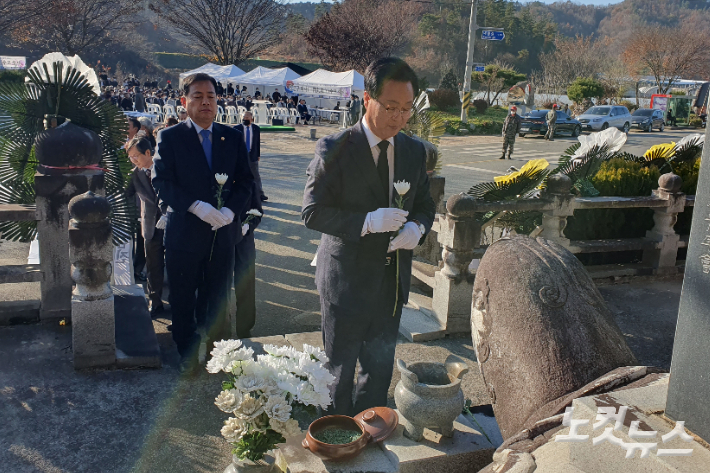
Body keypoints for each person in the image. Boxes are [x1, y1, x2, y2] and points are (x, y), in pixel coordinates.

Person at [302, 57, 436, 415]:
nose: (398, 117)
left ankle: (370, 436)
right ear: (367, 99)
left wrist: (417, 228)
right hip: (345, 282)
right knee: (338, 373)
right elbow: (312, 212)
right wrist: (367, 221)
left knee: (378, 371)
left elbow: (425, 203)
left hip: (390, 284)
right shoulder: (336, 148)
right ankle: (336, 436)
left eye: (407, 109)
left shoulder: (412, 150)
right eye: (390, 107)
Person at [152, 73, 254, 373]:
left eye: (211, 96)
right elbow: (162, 181)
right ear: (185, 101)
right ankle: (186, 353)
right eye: (197, 96)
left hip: (222, 233)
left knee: (218, 296)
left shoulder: (232, 137)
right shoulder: (170, 137)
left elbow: (246, 182)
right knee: (183, 296)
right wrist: (195, 206)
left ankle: (218, 352)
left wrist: (231, 211)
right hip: (185, 232)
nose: (205, 102)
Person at [126, 135, 167, 317]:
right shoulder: (134, 174)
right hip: (149, 225)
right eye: (131, 158)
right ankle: (155, 302)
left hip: (170, 222)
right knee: (153, 266)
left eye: (136, 156)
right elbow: (123, 195)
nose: (134, 161)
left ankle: (179, 305)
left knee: (175, 266)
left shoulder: (165, 167)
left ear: (148, 153)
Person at [233, 182, 263, 339]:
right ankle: (217, 329)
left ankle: (244, 328)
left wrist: (248, 226)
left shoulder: (249, 179)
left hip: (244, 243)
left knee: (245, 286)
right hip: (218, 241)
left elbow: (257, 211)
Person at [235, 112, 267, 202]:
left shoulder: (256, 128)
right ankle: (241, 195)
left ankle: (260, 194)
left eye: (247, 117)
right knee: (241, 175)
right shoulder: (237, 129)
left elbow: (257, 142)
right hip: (241, 156)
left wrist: (258, 155)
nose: (245, 118)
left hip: (252, 155)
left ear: (251, 118)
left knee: (256, 175)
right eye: (244, 117)